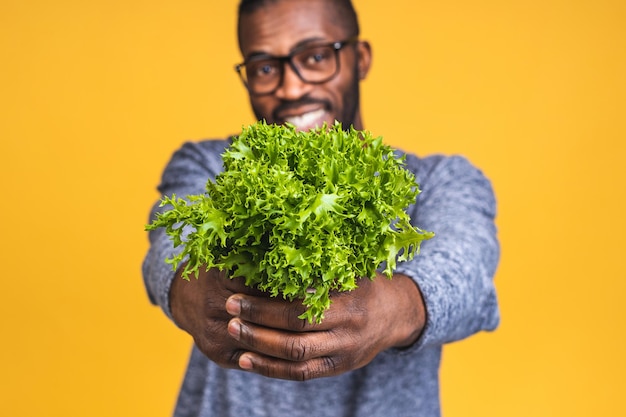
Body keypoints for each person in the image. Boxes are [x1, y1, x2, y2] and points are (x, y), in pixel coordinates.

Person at [142, 0, 500, 416]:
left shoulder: (440, 181)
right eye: (263, 67)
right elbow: (167, 252)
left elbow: (467, 273)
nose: (291, 89)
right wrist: (193, 291)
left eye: (315, 57)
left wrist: (396, 308)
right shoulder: (207, 167)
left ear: (360, 58)